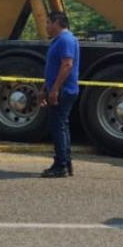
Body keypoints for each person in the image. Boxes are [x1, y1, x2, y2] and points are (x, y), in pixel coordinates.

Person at [40, 11, 81, 178]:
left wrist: (55, 89)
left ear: (57, 22)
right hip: (59, 89)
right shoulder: (59, 40)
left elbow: (67, 65)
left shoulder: (65, 40)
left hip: (64, 91)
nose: (46, 26)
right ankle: (66, 162)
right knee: (61, 127)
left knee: (58, 128)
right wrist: (45, 88)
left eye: (48, 22)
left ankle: (60, 165)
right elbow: (54, 68)